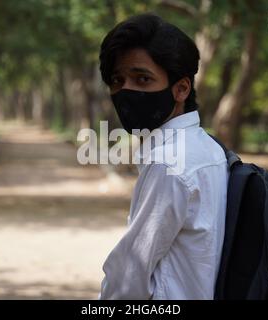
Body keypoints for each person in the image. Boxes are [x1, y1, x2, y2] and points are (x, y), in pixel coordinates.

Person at [98, 13, 229, 300]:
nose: (126, 90)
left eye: (142, 79)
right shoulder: (209, 149)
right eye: (117, 80)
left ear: (181, 88)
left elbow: (129, 277)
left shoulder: (169, 162)